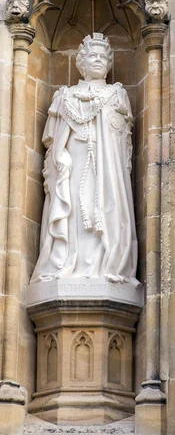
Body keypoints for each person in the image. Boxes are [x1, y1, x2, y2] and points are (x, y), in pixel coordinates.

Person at [30, 33, 138, 283]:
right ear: (81, 61)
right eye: (92, 56)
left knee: (105, 209)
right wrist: (60, 157)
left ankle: (106, 266)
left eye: (103, 57)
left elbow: (123, 141)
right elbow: (54, 140)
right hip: (75, 164)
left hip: (107, 168)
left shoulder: (117, 95)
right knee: (76, 211)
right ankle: (69, 264)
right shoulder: (65, 96)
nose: (98, 60)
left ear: (110, 63)